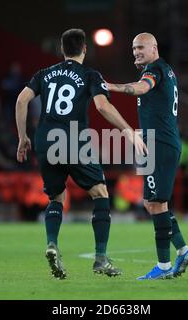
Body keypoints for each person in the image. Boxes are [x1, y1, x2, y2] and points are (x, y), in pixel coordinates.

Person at [15, 28, 146, 279]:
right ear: (85, 49)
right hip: (72, 138)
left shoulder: (45, 73)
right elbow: (102, 106)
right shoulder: (89, 74)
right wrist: (128, 130)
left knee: (56, 197)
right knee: (100, 193)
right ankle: (100, 259)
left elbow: (22, 100)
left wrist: (23, 137)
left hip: (45, 139)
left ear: (62, 50)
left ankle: (52, 244)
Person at [106, 33, 188, 280]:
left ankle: (164, 267)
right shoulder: (165, 70)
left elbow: (141, 88)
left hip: (160, 144)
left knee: (156, 203)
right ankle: (184, 250)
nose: (136, 52)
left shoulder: (154, 70)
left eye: (141, 47)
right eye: (134, 48)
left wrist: (112, 87)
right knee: (153, 202)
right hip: (158, 144)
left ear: (154, 48)